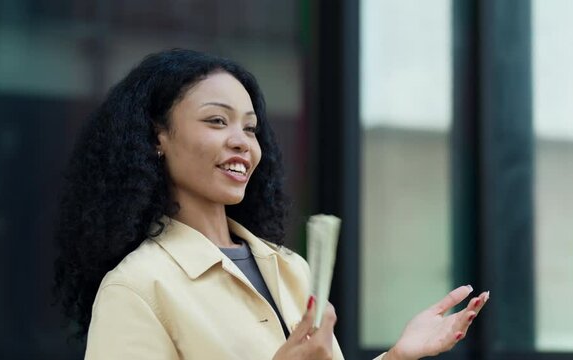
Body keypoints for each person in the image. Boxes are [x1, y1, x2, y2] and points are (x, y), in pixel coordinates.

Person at [54, 48, 489, 360]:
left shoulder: (290, 269)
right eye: (216, 121)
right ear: (156, 138)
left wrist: (399, 355)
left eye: (250, 128)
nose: (241, 142)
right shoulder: (137, 288)